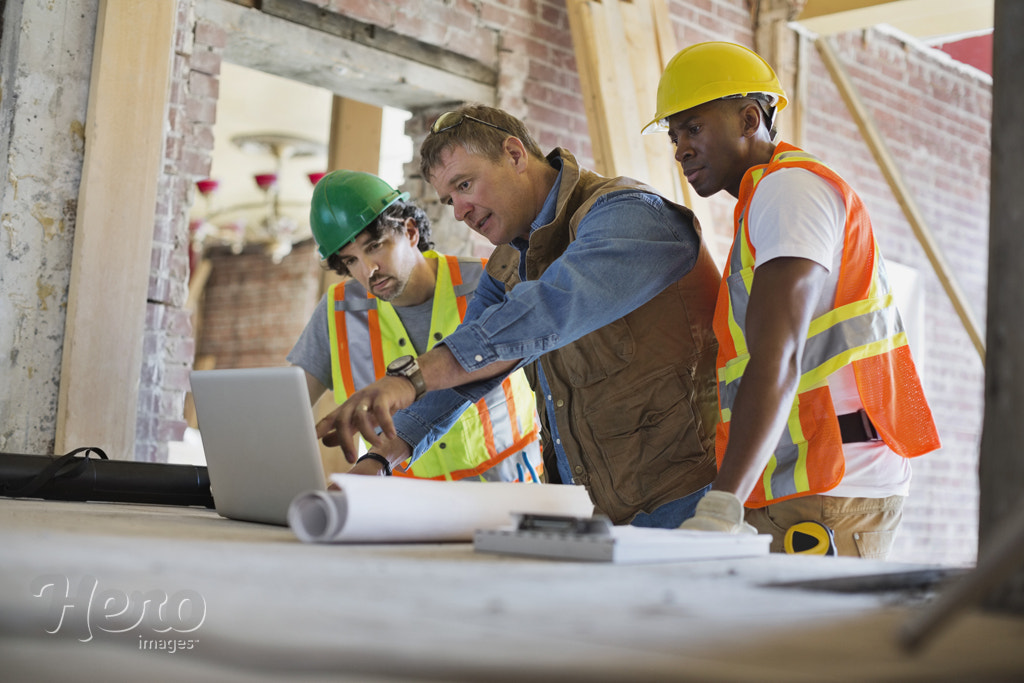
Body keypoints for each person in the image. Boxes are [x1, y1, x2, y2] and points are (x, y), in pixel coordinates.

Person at [316, 104, 723, 528]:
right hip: (593, 512)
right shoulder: (508, 262)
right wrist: (379, 460)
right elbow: (468, 369)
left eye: (465, 184)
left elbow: (547, 310)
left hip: (691, 502)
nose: (459, 210)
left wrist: (408, 377)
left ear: (514, 154)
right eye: (449, 199)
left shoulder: (631, 216)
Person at [645, 41, 940, 557]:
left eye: (693, 127)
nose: (680, 149)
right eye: (673, 136)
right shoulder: (769, 197)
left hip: (831, 493)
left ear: (749, 119)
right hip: (811, 488)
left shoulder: (789, 193)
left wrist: (722, 505)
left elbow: (776, 357)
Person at [288, 170, 543, 482]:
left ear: (410, 231)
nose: (368, 271)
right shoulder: (337, 311)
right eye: (351, 261)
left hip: (508, 492)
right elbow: (286, 404)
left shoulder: (486, 282)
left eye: (374, 246)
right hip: (404, 508)